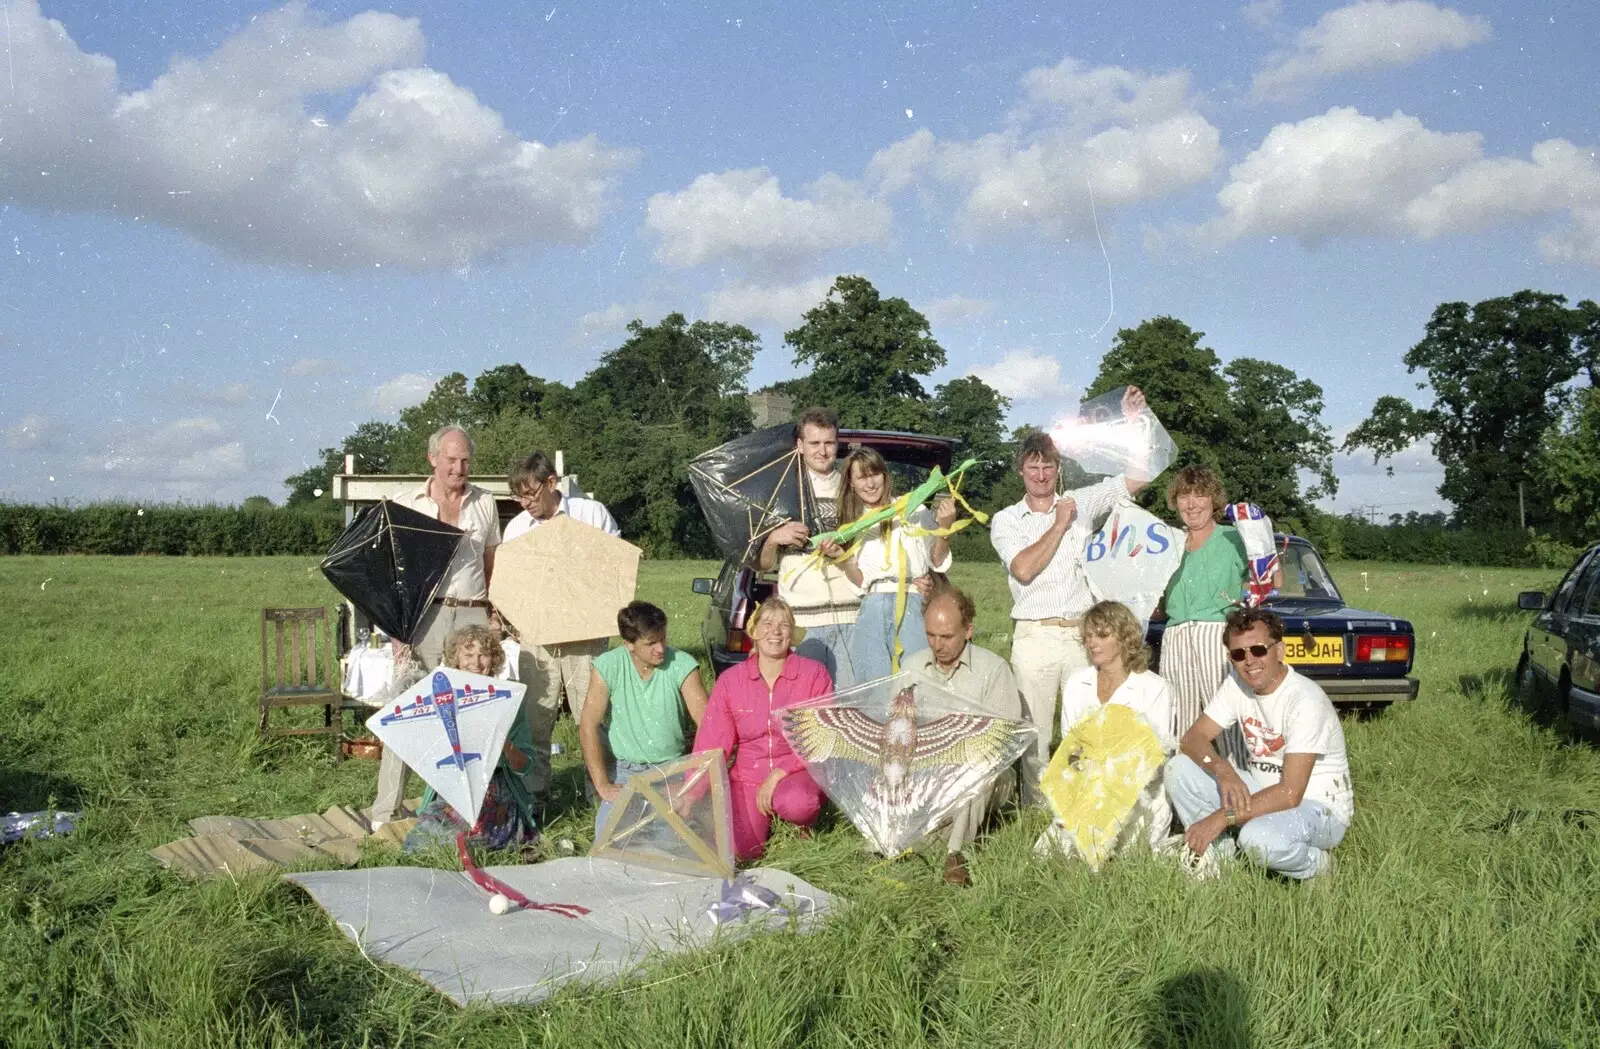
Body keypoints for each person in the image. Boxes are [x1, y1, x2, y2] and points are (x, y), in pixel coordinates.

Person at [988, 387, 1149, 806]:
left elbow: (1137, 478)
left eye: (1048, 466)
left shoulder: (1081, 500)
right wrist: (1059, 525)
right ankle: (1036, 811)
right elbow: (1023, 569)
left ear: (1059, 469)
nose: (1041, 474)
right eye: (1033, 466)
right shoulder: (1006, 520)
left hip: (1081, 635)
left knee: (1085, 726)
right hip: (1034, 636)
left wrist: (1134, 422)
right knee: (1036, 734)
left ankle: (1082, 806)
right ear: (1021, 471)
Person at [372, 424, 502, 827]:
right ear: (433, 459)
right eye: (450, 459)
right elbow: (390, 571)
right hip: (422, 616)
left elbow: (492, 561)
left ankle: (463, 809)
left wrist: (494, 612)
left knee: (472, 713)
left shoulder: (485, 503)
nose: (458, 468)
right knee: (410, 708)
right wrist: (397, 629)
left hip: (472, 614)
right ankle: (386, 812)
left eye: (465, 460)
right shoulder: (404, 502)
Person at [1165, 607, 1353, 880]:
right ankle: (1217, 859)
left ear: (1280, 651)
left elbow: (1290, 793)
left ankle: (1318, 866)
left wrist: (1220, 818)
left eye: (1259, 650)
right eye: (1238, 654)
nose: (1249, 661)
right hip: (1261, 793)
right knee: (1179, 769)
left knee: (1257, 840)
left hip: (1318, 808)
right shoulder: (1237, 684)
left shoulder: (1305, 700)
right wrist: (1223, 771)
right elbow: (1192, 739)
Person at [499, 450, 621, 809]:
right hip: (537, 639)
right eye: (518, 497)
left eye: (530, 494)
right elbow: (510, 583)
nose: (525, 504)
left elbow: (614, 567)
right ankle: (535, 797)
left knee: (593, 717)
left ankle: (600, 795)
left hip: (586, 637)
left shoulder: (591, 513)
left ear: (552, 483)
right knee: (536, 721)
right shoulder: (517, 527)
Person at [1036, 600, 1176, 863]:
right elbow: (1071, 746)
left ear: (1125, 637)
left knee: (1125, 858)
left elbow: (1156, 757)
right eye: (1087, 637)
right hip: (1086, 790)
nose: (1092, 644)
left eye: (1102, 635)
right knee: (1046, 855)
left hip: (1137, 795)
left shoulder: (1155, 688)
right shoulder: (1078, 683)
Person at [692, 597, 830, 861]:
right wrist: (692, 791)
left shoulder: (815, 674)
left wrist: (779, 773)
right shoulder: (731, 680)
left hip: (795, 771)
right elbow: (712, 741)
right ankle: (759, 824)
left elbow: (820, 736)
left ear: (792, 633)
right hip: (747, 775)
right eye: (767, 624)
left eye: (784, 625)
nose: (775, 632)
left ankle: (801, 827)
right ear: (754, 631)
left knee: (799, 803)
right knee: (741, 855)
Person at [905, 585, 1022, 886]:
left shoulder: (994, 670)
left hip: (987, 774)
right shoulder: (912, 667)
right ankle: (905, 838)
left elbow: (1005, 741)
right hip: (929, 769)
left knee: (975, 770)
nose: (937, 645)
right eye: (930, 635)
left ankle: (955, 854)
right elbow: (899, 729)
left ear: (968, 630)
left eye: (946, 637)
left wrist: (961, 752)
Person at [823, 447, 956, 684]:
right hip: (872, 606)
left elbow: (936, 561)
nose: (870, 483)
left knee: (917, 681)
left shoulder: (914, 509)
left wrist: (945, 529)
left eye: (874, 474)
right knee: (873, 684)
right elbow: (861, 581)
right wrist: (840, 557)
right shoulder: (851, 522)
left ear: (885, 476)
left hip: (912, 601)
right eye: (862, 477)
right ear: (852, 483)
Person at [403, 624, 538, 852]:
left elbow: (526, 766)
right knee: (429, 835)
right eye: (468, 655)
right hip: (453, 783)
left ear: (493, 659)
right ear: (456, 658)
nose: (475, 663)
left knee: (481, 829)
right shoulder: (441, 696)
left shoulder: (508, 698)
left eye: (483, 655)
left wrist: (504, 744)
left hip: (493, 784)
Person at [580, 601, 710, 834]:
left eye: (663, 639)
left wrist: (692, 780)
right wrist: (603, 785)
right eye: (651, 643)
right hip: (627, 772)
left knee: (675, 842)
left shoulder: (683, 665)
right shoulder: (608, 666)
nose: (660, 648)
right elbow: (588, 724)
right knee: (609, 840)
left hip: (673, 769)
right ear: (629, 644)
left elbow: (709, 725)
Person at [758, 407, 862, 688]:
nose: (822, 451)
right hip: (802, 618)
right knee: (806, 706)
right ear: (800, 446)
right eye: (814, 443)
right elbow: (763, 564)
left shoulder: (853, 488)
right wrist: (773, 538)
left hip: (851, 615)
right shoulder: (782, 491)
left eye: (829, 443)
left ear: (837, 445)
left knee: (848, 704)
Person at [1157, 466, 1248, 740]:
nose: (1192, 504)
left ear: (1214, 500)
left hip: (1217, 634)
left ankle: (1240, 776)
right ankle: (1184, 778)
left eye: (1200, 495)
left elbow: (1271, 579)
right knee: (1178, 721)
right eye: (1184, 496)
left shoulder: (1234, 537)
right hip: (1175, 636)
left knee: (1226, 719)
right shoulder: (1167, 542)